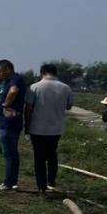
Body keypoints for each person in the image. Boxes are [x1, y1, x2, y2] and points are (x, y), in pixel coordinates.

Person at [24, 63, 74, 194]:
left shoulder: (34, 87)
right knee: (52, 154)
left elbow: (28, 109)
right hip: (56, 129)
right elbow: (69, 106)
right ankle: (51, 181)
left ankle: (41, 186)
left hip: (37, 129)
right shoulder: (66, 88)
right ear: (55, 73)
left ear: (42, 73)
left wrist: (26, 127)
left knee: (39, 157)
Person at [0, 59, 28, 191]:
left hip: (9, 124)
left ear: (8, 69)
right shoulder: (9, 81)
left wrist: (5, 105)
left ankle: (8, 183)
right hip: (9, 123)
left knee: (9, 153)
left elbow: (13, 91)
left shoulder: (15, 79)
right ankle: (12, 181)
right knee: (12, 153)